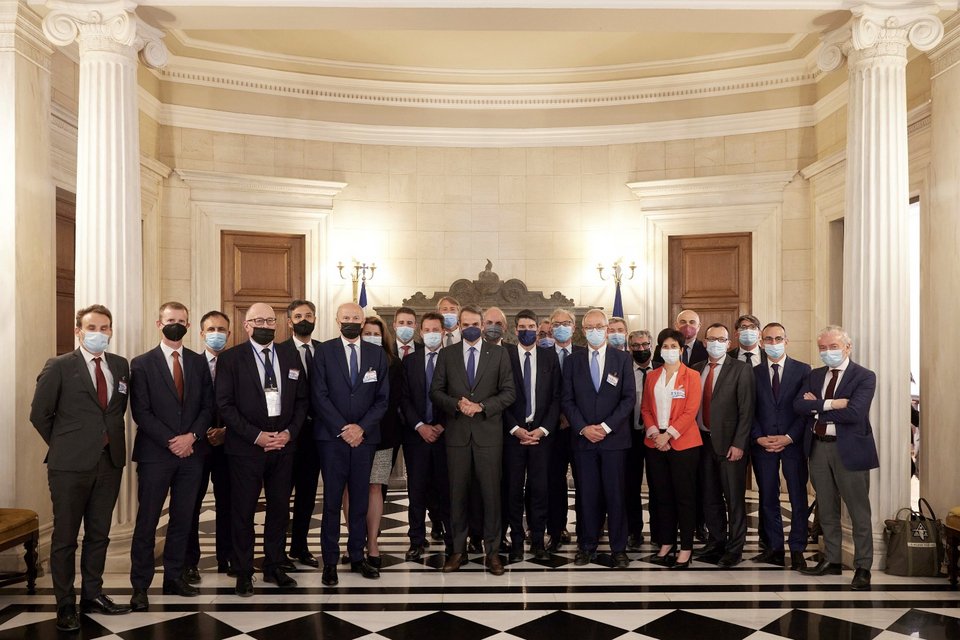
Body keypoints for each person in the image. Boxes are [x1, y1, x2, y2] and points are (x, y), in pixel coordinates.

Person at [31, 304, 132, 631]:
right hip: (69, 466)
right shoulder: (59, 365)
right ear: (78, 331)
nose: (98, 333)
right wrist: (67, 445)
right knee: (65, 537)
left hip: (109, 462)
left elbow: (115, 411)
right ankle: (65, 604)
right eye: (92, 328)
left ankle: (92, 594)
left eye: (104, 328)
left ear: (111, 331)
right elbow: (39, 414)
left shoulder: (120, 365)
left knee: (99, 534)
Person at [217, 302, 309, 595]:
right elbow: (225, 405)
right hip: (246, 448)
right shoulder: (230, 359)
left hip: (283, 446)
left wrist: (289, 433)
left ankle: (274, 565)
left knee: (280, 510)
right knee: (243, 511)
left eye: (270, 321)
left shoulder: (290, 355)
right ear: (247, 325)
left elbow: (302, 400)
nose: (265, 326)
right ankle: (243, 570)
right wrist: (256, 436)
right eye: (258, 321)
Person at [128, 302, 214, 611]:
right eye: (170, 320)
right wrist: (171, 441)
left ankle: (174, 577)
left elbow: (208, 406)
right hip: (155, 454)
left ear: (188, 326)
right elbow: (141, 411)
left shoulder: (198, 362)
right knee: (148, 521)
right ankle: (140, 585)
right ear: (159, 323)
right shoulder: (141, 363)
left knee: (183, 519)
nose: (175, 324)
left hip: (192, 453)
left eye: (181, 320)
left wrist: (191, 437)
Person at [430, 305, 516, 575]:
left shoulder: (499, 354)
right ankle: (458, 551)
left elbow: (509, 392)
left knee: (491, 496)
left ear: (482, 325)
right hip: (457, 436)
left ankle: (493, 553)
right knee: (457, 495)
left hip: (488, 436)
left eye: (475, 324)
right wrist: (457, 404)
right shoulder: (447, 354)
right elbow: (436, 391)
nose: (470, 328)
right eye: (465, 324)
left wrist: (481, 406)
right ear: (458, 325)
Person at [796, 325, 878, 591]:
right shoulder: (815, 375)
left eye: (833, 347)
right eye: (823, 348)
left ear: (847, 347)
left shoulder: (864, 376)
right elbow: (799, 405)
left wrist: (817, 408)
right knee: (827, 508)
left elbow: (854, 413)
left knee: (858, 511)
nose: (827, 352)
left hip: (850, 450)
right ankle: (831, 560)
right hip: (818, 448)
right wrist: (832, 403)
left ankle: (863, 567)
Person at [313, 302, 389, 586]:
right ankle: (330, 562)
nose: (350, 321)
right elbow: (319, 395)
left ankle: (357, 555)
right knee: (332, 502)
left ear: (363, 321)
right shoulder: (324, 351)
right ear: (337, 320)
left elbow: (382, 398)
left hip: (365, 440)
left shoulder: (376, 353)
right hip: (332, 439)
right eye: (345, 317)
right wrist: (343, 429)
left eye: (355, 318)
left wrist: (361, 428)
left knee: (359, 500)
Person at [561, 308, 635, 569]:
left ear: (607, 329)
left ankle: (619, 548)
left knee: (616, 495)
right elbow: (567, 400)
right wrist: (583, 428)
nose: (595, 331)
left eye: (599, 327)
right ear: (583, 330)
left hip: (614, 441)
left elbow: (628, 399)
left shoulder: (622, 359)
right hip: (583, 441)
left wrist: (604, 427)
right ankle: (586, 545)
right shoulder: (573, 361)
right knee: (586, 495)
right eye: (589, 327)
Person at [691, 322, 755, 568]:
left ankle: (735, 548)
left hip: (730, 445)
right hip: (702, 442)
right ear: (704, 342)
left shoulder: (741, 369)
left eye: (721, 339)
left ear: (729, 344)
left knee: (734, 498)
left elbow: (747, 411)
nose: (716, 343)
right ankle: (716, 542)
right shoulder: (696, 369)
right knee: (709, 496)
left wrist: (739, 444)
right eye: (711, 339)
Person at [751, 322, 811, 570]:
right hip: (763, 445)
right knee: (767, 497)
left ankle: (797, 548)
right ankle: (774, 547)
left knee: (798, 497)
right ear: (761, 343)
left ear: (786, 341)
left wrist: (789, 437)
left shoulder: (803, 370)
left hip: (792, 444)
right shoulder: (753, 373)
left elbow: (806, 410)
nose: (773, 343)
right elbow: (748, 409)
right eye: (768, 339)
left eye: (778, 339)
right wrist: (758, 437)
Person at [641, 329, 703, 569]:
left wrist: (669, 435)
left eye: (673, 346)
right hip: (655, 442)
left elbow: (690, 411)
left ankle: (686, 547)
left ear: (681, 349)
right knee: (662, 496)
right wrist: (656, 434)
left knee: (684, 498)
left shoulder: (692, 376)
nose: (669, 350)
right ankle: (666, 543)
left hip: (683, 444)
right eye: (665, 346)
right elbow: (646, 408)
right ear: (659, 349)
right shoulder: (652, 376)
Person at [503, 309, 561, 561]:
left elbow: (556, 397)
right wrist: (515, 429)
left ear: (537, 329)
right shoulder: (504, 356)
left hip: (541, 436)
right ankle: (516, 541)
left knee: (540, 490)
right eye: (522, 327)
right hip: (513, 435)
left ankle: (538, 539)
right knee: (513, 490)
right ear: (515, 330)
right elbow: (498, 396)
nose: (526, 331)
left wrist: (543, 429)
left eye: (531, 327)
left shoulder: (550, 357)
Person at [400, 312, 453, 561]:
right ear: (421, 333)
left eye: (436, 330)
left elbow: (458, 396)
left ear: (444, 332)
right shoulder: (410, 361)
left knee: (447, 489)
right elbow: (404, 399)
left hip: (446, 436)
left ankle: (452, 540)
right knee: (417, 490)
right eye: (427, 330)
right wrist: (420, 426)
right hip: (417, 436)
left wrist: (442, 425)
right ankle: (416, 539)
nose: (432, 333)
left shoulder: (453, 359)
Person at [185, 311, 234, 581]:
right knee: (191, 503)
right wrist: (201, 432)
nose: (217, 334)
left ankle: (227, 557)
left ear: (229, 333)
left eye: (221, 329)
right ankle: (190, 562)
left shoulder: (237, 363)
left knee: (230, 502)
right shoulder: (191, 364)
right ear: (202, 333)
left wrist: (227, 431)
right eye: (211, 329)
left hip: (230, 445)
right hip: (198, 445)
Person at [280, 299, 322, 569]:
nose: (304, 320)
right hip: (287, 434)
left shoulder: (325, 350)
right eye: (298, 316)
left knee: (307, 494)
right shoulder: (279, 351)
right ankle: (277, 550)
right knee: (281, 495)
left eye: (308, 315)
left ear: (315, 319)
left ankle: (300, 546)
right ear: (289, 322)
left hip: (316, 434)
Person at [358, 316, 402, 568]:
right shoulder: (350, 358)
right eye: (367, 333)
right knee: (352, 488)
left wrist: (367, 424)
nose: (372, 337)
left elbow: (391, 401)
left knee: (376, 486)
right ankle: (355, 540)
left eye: (376, 334)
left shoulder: (393, 363)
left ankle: (372, 542)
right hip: (353, 435)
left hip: (384, 435)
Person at [546, 307, 583, 549]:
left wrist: (572, 417)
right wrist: (555, 417)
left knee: (584, 482)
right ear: (550, 328)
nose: (561, 327)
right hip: (551, 431)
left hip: (580, 429)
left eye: (566, 323)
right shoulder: (542, 354)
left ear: (574, 326)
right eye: (557, 323)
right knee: (554, 483)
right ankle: (556, 531)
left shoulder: (583, 354)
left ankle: (585, 531)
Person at [626, 329, 655, 548]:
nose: (641, 349)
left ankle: (659, 531)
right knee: (630, 486)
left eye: (645, 345)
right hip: (630, 436)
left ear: (651, 346)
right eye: (636, 346)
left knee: (658, 485)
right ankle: (634, 531)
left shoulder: (662, 369)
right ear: (630, 348)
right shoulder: (624, 370)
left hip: (656, 437)